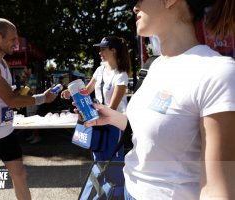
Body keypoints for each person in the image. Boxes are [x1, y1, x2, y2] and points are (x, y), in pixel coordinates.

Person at [81, 0, 235, 199]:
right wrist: (111, 117)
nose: (134, 7)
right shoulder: (154, 65)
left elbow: (218, 191)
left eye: (137, 0)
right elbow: (163, 128)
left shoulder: (217, 72)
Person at [0, 18, 57, 200]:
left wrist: (21, 91)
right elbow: (10, 100)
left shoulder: (2, 62)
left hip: (5, 130)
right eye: (12, 39)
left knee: (20, 175)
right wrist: (42, 98)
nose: (16, 43)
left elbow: (8, 93)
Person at [62, 36, 131, 160]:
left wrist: (92, 114)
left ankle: (113, 179)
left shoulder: (121, 75)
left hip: (114, 124)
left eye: (103, 49)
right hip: (98, 120)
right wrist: (71, 93)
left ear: (113, 50)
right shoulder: (100, 70)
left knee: (112, 161)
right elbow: (86, 91)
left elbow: (112, 108)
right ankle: (100, 180)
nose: (100, 53)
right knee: (98, 158)